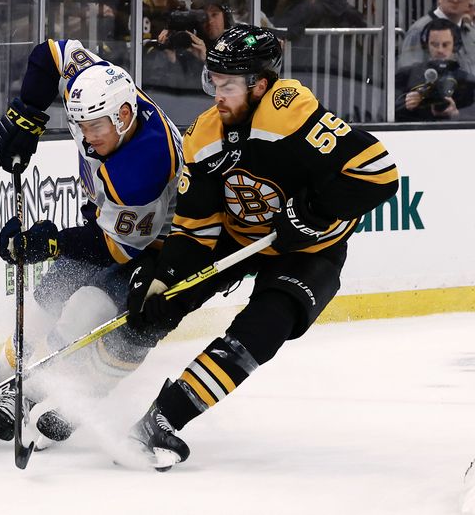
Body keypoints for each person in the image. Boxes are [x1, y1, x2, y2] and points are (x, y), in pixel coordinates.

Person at [122, 24, 399, 470]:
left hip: (310, 251)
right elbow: (195, 230)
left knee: (263, 329)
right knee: (153, 306)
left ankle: (163, 419)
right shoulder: (205, 136)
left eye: (228, 85)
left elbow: (379, 173)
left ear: (261, 85)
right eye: (213, 82)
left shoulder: (292, 117)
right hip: (239, 237)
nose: (217, 94)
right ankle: (68, 399)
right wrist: (166, 279)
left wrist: (312, 212)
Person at [0, 39, 185, 445]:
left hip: (157, 249)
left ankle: (39, 390)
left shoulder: (144, 165)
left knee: (90, 309)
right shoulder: (102, 93)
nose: (87, 140)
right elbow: (53, 54)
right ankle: (2, 383)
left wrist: (49, 243)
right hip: (107, 223)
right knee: (47, 302)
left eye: (95, 128)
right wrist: (28, 113)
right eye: (80, 127)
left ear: (124, 116)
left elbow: (114, 249)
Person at [395, 18, 475, 121]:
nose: (440, 50)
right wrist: (405, 104)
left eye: (445, 45)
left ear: (455, 45)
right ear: (426, 45)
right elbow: (387, 112)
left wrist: (458, 114)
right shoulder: (407, 76)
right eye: (434, 44)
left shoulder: (468, 82)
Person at [399, 0, 475, 75]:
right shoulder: (420, 30)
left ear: (469, 0)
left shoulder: (470, 32)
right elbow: (408, 75)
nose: (455, 0)